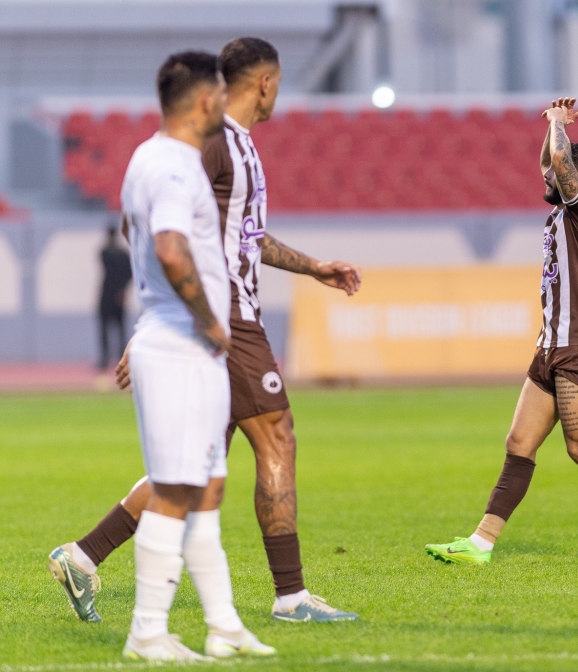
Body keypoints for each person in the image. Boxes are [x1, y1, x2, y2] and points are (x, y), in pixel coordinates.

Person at [48, 37, 362, 624]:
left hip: (228, 314)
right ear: (265, 83)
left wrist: (314, 266)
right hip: (227, 319)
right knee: (278, 436)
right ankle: (291, 596)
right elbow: (150, 221)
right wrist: (155, 322)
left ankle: (82, 556)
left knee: (192, 466)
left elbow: (246, 237)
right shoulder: (215, 142)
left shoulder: (235, 148)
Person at [77, 50, 271, 660]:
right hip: (184, 344)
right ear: (203, 100)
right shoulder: (176, 167)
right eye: (218, 92)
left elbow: (139, 235)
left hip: (186, 343)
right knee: (174, 489)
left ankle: (223, 624)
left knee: (207, 487)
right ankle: (148, 633)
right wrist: (208, 321)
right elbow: (165, 245)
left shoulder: (150, 158)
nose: (224, 101)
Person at [425, 97, 578, 565]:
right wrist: (553, 132)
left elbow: (557, 161)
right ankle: (480, 544)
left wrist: (558, 125)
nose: (548, 177)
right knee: (519, 444)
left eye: (560, 173)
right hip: (550, 345)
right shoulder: (563, 210)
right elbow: (549, 161)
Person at [97, 225, 132, 369]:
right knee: (120, 329)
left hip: (106, 294)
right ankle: (121, 358)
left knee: (105, 329)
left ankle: (105, 360)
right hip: (119, 295)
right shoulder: (123, 253)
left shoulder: (105, 252)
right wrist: (123, 290)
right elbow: (129, 273)